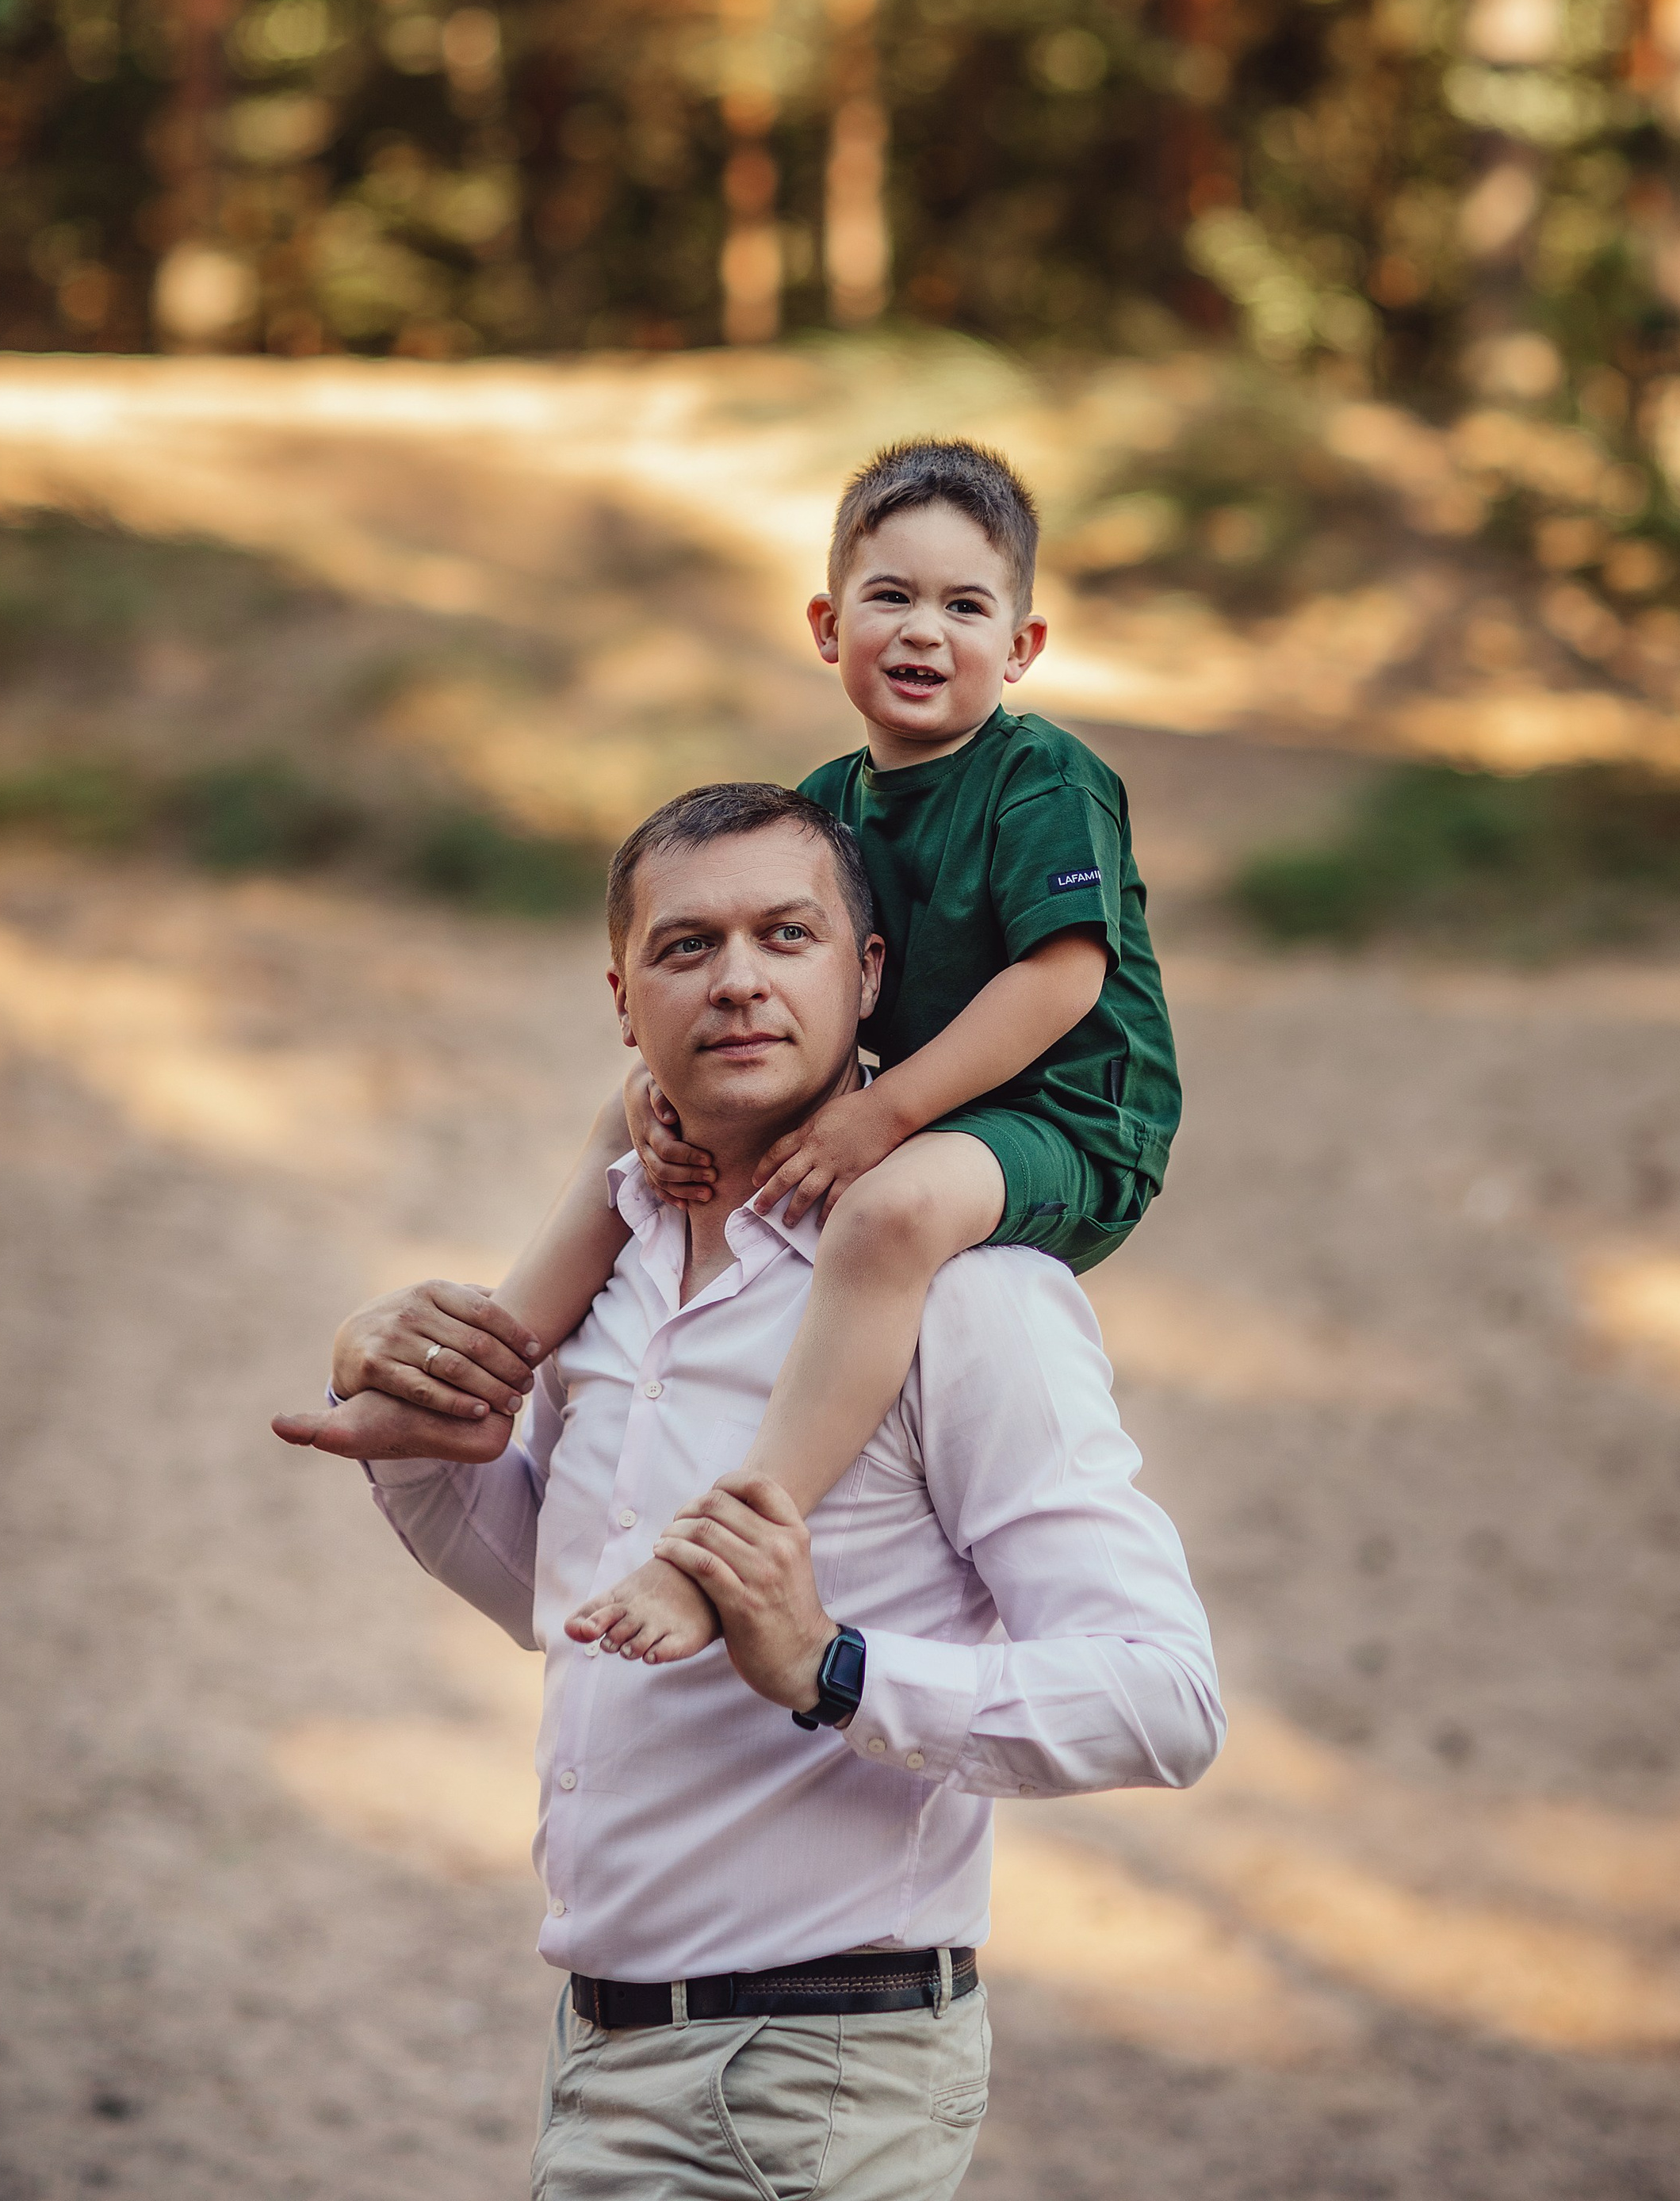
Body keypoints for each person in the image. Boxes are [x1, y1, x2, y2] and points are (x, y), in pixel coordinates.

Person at [275, 783, 1221, 2201]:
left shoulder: (969, 1299)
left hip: (812, 2074)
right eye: (687, 947)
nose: (739, 981)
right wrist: (415, 1419)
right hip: (605, 2057)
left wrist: (832, 1669)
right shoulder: (622, 1270)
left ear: (869, 975)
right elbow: (561, 1610)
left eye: (789, 935)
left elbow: (1166, 1700)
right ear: (621, 996)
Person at [291, 440, 1181, 1675]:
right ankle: (473, 1376)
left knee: (884, 1219)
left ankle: (738, 1530)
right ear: (828, 626)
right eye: (892, 598)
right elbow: (783, 971)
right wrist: (655, 1103)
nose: (926, 631)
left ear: (1023, 648)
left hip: (1069, 1114)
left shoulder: (1043, 778)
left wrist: (886, 1117)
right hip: (934, 1111)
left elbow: (1062, 977)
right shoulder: (825, 802)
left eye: (966, 606)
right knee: (628, 1129)